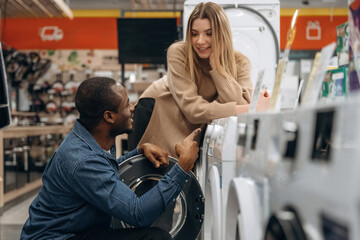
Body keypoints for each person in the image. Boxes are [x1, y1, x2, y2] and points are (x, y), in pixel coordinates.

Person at [20, 77, 201, 240]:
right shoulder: (82, 160)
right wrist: (184, 166)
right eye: (126, 105)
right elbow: (138, 213)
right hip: (58, 237)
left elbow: (104, 171)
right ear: (109, 116)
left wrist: (139, 151)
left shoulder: (92, 141)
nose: (132, 108)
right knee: (155, 238)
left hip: (78, 231)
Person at [128, 2, 270, 157]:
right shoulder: (179, 52)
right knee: (144, 174)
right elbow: (193, 109)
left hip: (189, 128)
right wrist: (250, 108)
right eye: (194, 34)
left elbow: (240, 105)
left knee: (176, 176)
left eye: (209, 33)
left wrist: (217, 69)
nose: (200, 41)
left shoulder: (240, 62)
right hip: (157, 114)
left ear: (222, 34)